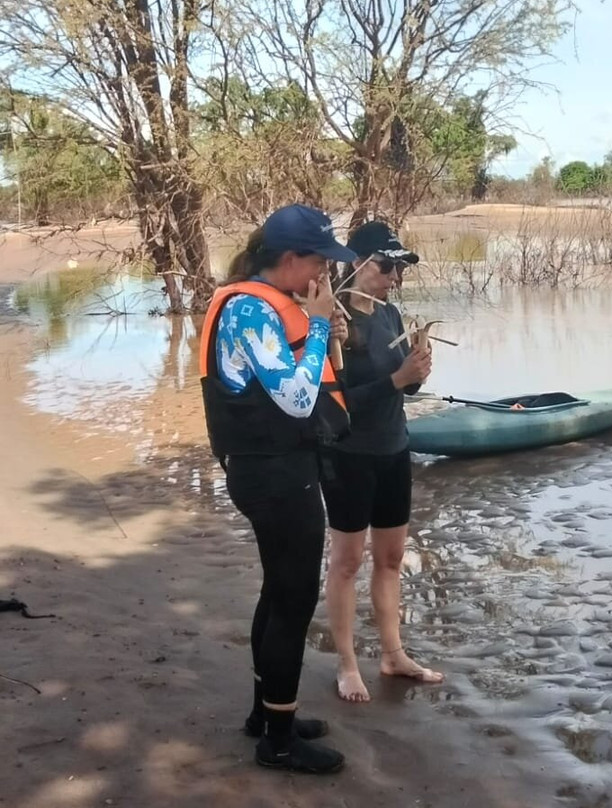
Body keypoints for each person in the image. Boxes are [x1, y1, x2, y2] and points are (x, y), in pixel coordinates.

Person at [198, 203, 355, 774]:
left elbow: (293, 375)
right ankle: (280, 744)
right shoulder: (248, 310)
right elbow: (294, 398)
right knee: (292, 602)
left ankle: (267, 716)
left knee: (276, 592)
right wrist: (315, 328)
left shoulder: (254, 303)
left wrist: (320, 332)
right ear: (290, 259)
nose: (325, 274)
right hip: (273, 475)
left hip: (266, 469)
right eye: (319, 262)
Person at [320, 220, 444, 703]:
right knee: (348, 562)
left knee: (391, 559)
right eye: (386, 265)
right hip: (348, 455)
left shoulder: (390, 315)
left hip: (394, 448)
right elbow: (339, 399)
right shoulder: (334, 321)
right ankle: (348, 664)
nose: (394, 275)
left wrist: (416, 370)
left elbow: (404, 388)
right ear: (357, 262)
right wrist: (397, 380)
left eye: (399, 267)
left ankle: (393, 655)